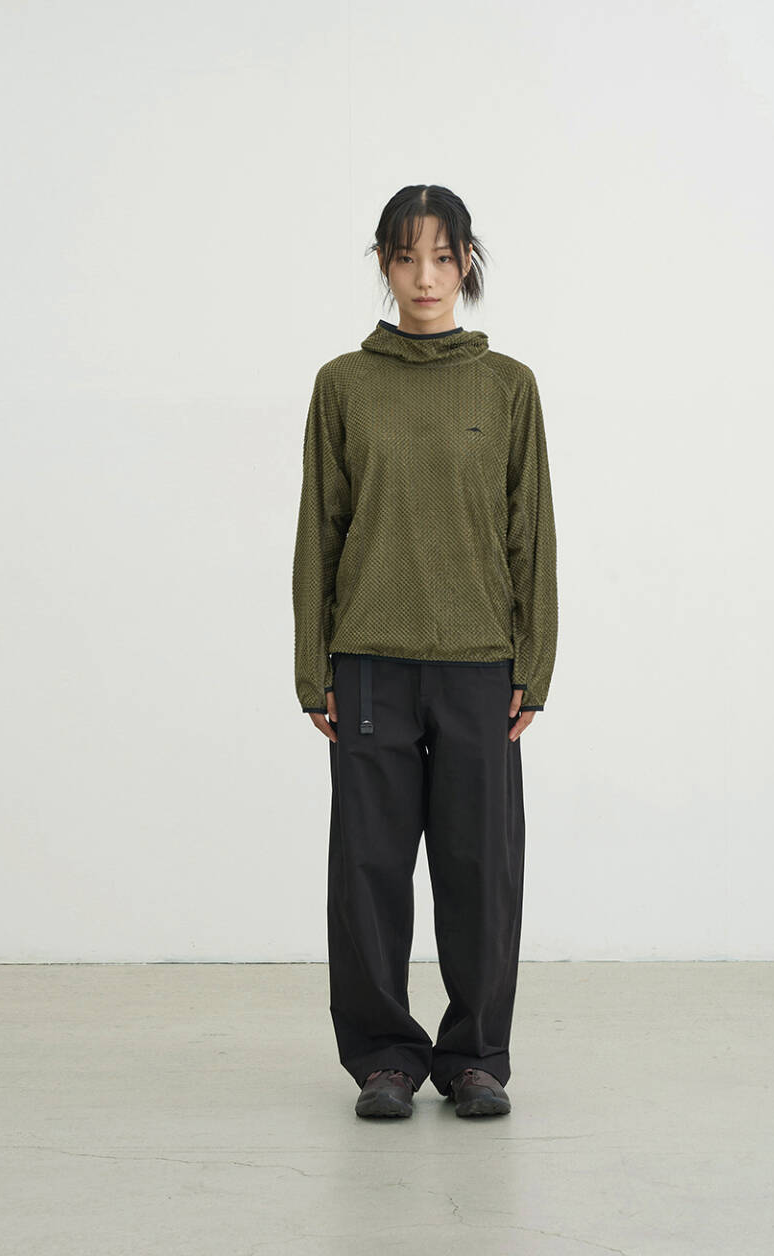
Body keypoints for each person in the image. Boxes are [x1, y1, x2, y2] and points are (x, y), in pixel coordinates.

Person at [292, 184, 558, 1119]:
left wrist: (535, 663)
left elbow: (532, 533)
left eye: (443, 257)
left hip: (482, 663)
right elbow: (320, 532)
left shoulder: (508, 386)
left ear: (467, 264)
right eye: (406, 257)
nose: (425, 276)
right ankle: (385, 1060)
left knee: (481, 867)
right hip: (369, 661)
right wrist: (312, 667)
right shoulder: (343, 385)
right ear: (383, 264)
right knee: (367, 868)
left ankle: (475, 1058)